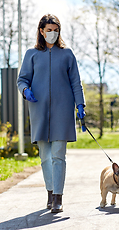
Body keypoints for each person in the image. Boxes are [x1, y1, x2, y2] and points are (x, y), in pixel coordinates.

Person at [17, 14, 86, 213]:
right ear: (41, 31)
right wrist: (25, 90)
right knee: (45, 157)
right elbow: (22, 79)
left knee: (58, 155)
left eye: (56, 30)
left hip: (63, 111)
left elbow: (75, 82)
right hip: (39, 110)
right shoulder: (31, 54)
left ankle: (58, 197)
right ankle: (50, 191)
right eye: (49, 30)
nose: (52, 34)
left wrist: (80, 104)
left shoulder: (67, 54)